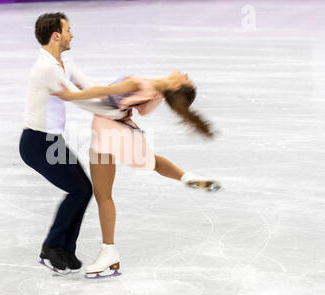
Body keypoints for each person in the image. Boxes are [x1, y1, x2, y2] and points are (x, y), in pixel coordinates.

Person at [52, 72, 222, 278]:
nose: (186, 74)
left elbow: (103, 92)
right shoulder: (157, 94)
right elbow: (127, 105)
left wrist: (72, 96)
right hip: (121, 130)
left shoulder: (142, 84)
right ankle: (186, 177)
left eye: (187, 79)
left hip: (106, 131)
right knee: (151, 160)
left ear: (176, 84)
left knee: (104, 196)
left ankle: (109, 252)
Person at [19, 12, 130, 274]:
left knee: (82, 189)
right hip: (37, 143)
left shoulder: (63, 60)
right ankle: (52, 248)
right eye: (68, 30)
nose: (72, 34)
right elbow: (76, 98)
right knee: (79, 189)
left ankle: (65, 249)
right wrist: (114, 110)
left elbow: (86, 84)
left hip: (52, 141)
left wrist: (115, 100)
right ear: (56, 35)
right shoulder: (46, 68)